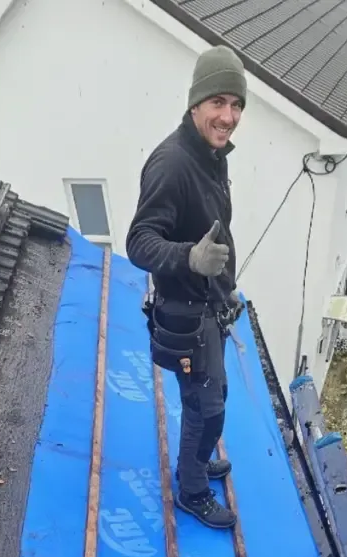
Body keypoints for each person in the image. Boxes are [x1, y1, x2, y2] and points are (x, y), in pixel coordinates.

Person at [126, 45, 246, 530]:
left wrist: (225, 288)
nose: (228, 116)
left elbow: (212, 230)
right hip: (186, 315)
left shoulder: (210, 156)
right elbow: (139, 241)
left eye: (235, 105)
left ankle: (195, 460)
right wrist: (190, 258)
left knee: (212, 396)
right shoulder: (172, 164)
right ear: (195, 104)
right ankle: (192, 490)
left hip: (208, 306)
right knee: (205, 408)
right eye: (218, 102)